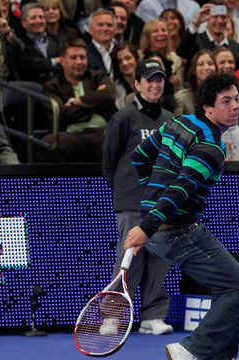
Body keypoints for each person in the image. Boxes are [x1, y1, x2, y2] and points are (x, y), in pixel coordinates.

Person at [124, 74, 239, 360]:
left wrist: (151, 200)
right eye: (225, 101)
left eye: (236, 99)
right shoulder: (212, 148)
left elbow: (140, 156)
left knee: (227, 282)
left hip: (162, 226)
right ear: (209, 107)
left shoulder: (178, 122)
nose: (235, 106)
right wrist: (149, 225)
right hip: (176, 231)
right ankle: (193, 351)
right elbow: (181, 190)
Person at [102, 59, 175, 336]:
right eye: (149, 80)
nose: (155, 85)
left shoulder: (171, 120)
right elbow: (109, 161)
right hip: (132, 201)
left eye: (159, 79)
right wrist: (124, 191)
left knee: (159, 260)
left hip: (163, 203)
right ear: (137, 84)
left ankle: (153, 316)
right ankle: (113, 316)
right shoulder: (123, 117)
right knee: (128, 260)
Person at [42, 38, 117, 162]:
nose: (79, 62)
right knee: (49, 142)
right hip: (71, 134)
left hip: (101, 132)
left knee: (117, 141)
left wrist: (77, 102)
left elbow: (109, 94)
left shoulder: (98, 76)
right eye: (74, 57)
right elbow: (59, 114)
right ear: (62, 60)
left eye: (82, 57)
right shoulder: (52, 86)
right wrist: (96, 101)